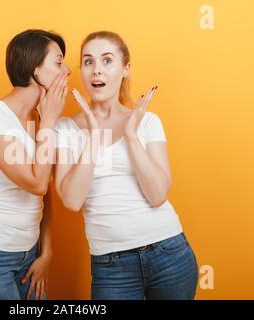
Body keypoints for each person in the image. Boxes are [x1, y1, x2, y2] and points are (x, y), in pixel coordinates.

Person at [54, 31, 198, 300]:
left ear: (125, 69)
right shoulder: (66, 129)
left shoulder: (147, 121)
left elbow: (157, 196)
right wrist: (94, 137)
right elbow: (72, 200)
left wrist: (131, 134)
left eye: (107, 61)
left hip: (169, 253)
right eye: (88, 62)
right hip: (112, 266)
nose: (97, 70)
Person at [0, 29, 70, 300]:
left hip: (30, 254)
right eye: (58, 62)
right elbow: (35, 183)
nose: (67, 70)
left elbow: (45, 192)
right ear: (35, 69)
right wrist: (49, 123)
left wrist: (47, 253)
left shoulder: (40, 119)